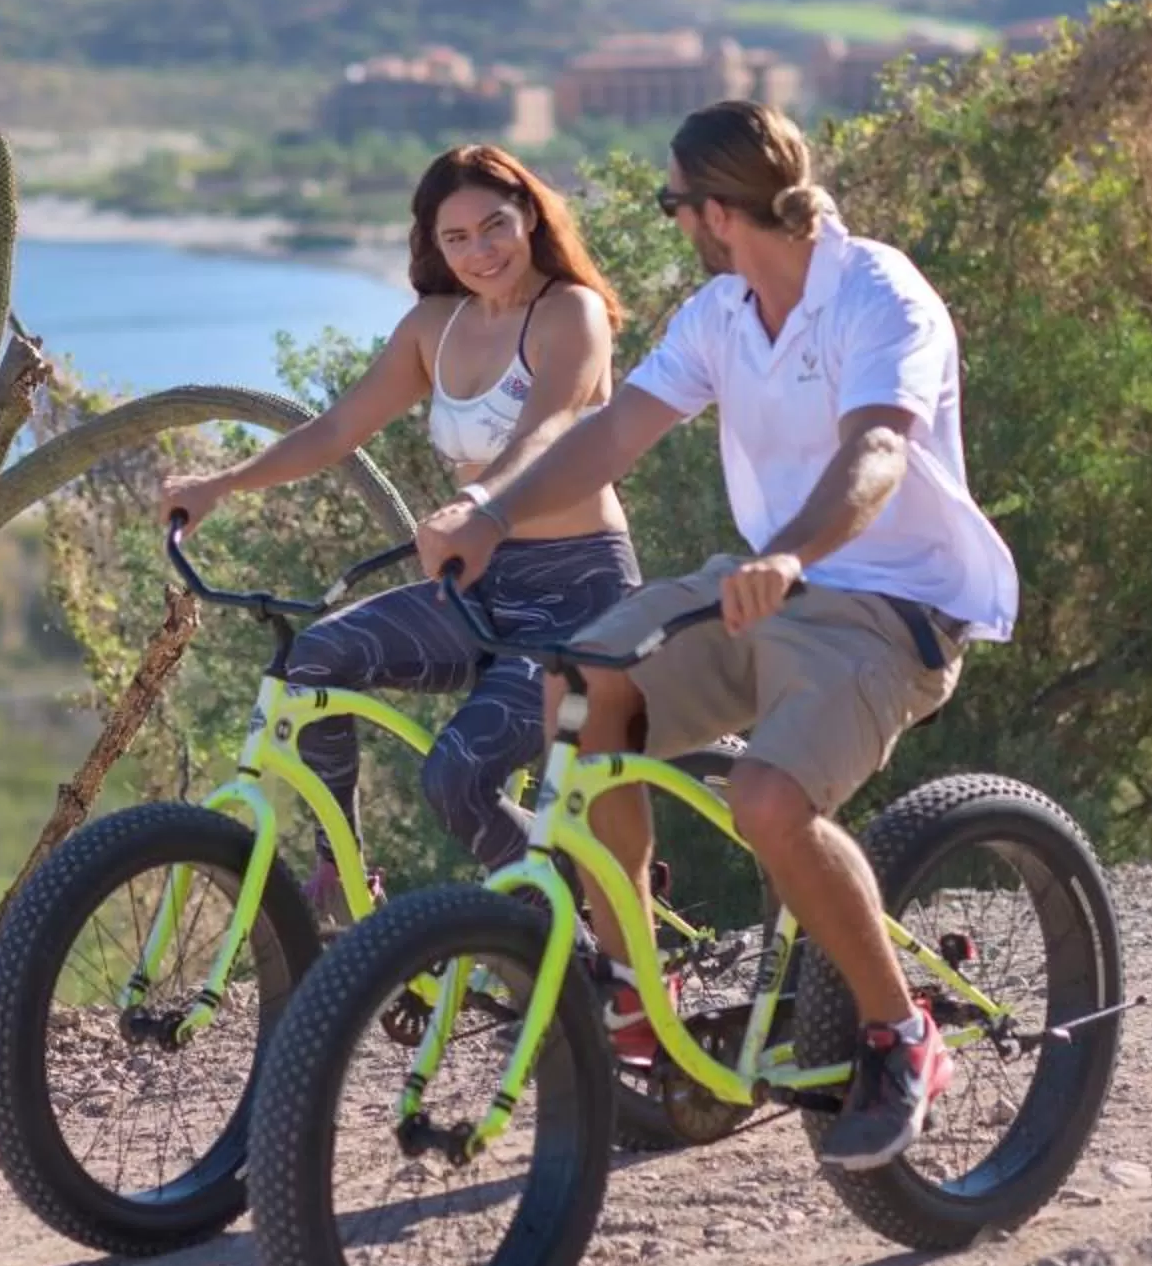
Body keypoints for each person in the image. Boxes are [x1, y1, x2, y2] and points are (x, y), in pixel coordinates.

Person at [421, 100, 1019, 1173]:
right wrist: (493, 516)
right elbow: (614, 432)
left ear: (718, 210)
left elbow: (878, 451)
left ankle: (900, 1033)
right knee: (582, 684)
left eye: (674, 204)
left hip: (890, 604)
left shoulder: (879, 295)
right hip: (759, 588)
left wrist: (789, 553)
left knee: (767, 802)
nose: (676, 221)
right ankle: (637, 992)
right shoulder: (722, 312)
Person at [160, 143, 642, 927]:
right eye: (457, 238)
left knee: (456, 779)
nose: (480, 251)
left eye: (495, 226)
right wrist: (222, 483)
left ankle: (571, 939)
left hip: (577, 592)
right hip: (476, 584)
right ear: (434, 246)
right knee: (315, 659)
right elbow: (336, 430)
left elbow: (549, 428)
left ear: (529, 216)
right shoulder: (434, 328)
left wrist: (477, 502)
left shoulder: (571, 312)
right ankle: (342, 872)